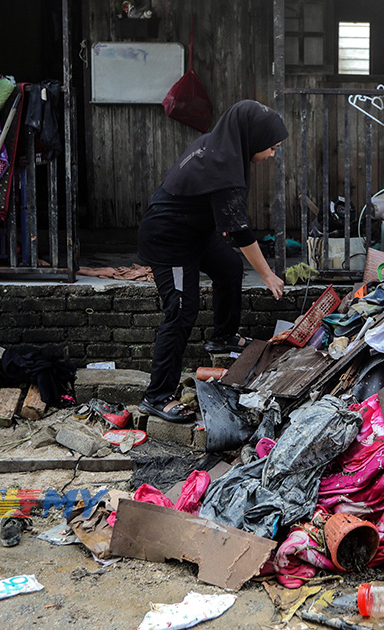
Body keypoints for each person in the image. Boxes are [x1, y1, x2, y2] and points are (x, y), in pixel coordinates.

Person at [137, 100, 287, 422]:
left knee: (229, 267)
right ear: (255, 139)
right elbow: (240, 231)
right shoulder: (223, 164)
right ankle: (156, 396)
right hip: (170, 240)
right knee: (180, 311)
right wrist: (268, 275)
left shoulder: (222, 148)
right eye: (272, 148)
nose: (273, 155)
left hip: (194, 233)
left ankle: (222, 336)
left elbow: (218, 210)